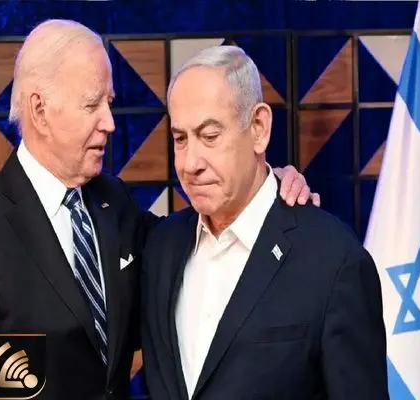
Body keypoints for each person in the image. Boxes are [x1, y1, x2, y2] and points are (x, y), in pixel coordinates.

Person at [0, 20, 317, 400]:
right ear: (39, 111)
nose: (109, 122)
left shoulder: (112, 201)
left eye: (108, 103)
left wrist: (262, 183)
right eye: (92, 104)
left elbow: (192, 243)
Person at [140, 45, 389, 400]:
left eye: (210, 136)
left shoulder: (334, 261)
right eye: (180, 139)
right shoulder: (161, 248)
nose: (190, 163)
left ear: (258, 128)